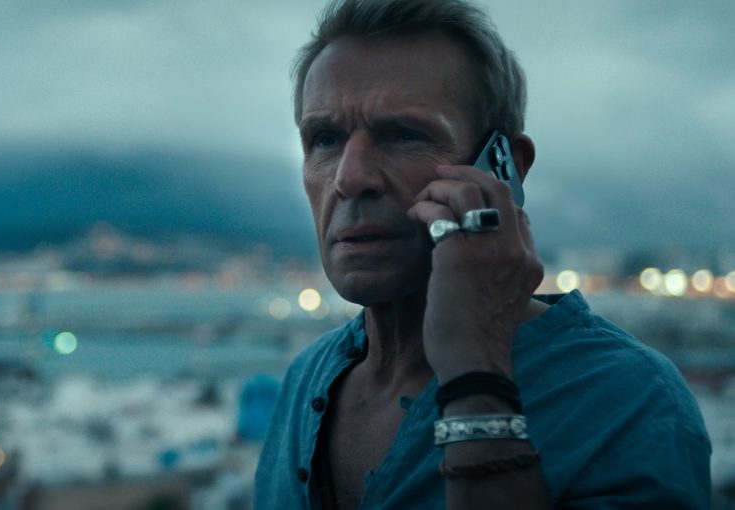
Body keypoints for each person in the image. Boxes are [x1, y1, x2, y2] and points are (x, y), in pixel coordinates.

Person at [254, 0, 712, 508]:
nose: (349, 177)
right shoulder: (305, 379)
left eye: (403, 135)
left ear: (505, 168)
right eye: (324, 139)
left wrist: (476, 372)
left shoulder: (627, 401)